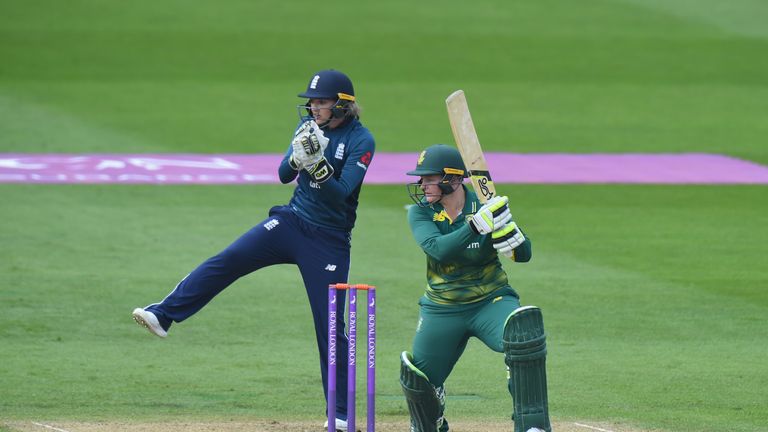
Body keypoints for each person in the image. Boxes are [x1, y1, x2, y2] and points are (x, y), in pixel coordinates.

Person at [131, 69, 375, 432]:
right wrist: (297, 159)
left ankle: (339, 414)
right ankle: (164, 315)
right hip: (292, 221)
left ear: (342, 105)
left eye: (320, 102)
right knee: (229, 259)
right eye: (310, 102)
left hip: (329, 239)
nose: (312, 108)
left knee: (329, 323)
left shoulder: (361, 140)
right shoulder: (308, 129)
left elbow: (342, 194)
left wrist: (319, 166)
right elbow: (282, 174)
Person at [400, 144, 551, 432]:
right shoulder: (420, 214)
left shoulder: (485, 206)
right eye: (422, 178)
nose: (422, 184)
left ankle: (532, 424)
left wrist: (511, 234)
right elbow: (438, 249)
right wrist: (475, 227)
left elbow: (524, 255)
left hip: (490, 300)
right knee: (417, 377)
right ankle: (432, 420)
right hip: (442, 306)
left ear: (453, 180)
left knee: (522, 334)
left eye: (430, 178)